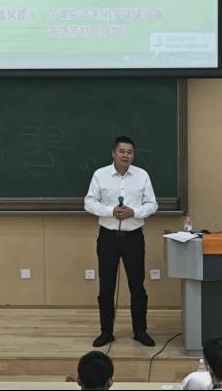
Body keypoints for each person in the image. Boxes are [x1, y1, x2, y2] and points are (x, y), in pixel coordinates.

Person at [84, 135, 158, 347]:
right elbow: (89, 203)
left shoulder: (142, 175)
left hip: (133, 237)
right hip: (108, 237)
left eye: (129, 152)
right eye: (122, 151)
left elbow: (152, 204)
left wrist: (134, 212)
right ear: (113, 153)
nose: (125, 155)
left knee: (137, 286)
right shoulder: (100, 175)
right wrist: (111, 211)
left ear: (133, 155)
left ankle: (140, 331)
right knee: (106, 288)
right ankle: (106, 332)